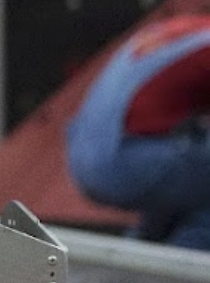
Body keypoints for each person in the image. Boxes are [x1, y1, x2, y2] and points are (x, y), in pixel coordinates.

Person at [65, 13, 210, 251]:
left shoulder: (182, 30)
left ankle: (134, 270)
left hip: (84, 156)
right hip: (122, 158)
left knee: (190, 178)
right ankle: (184, 281)